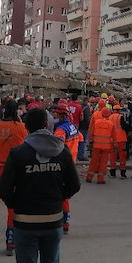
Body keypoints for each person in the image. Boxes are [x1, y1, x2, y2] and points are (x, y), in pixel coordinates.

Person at [0, 108, 81, 263]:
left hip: (25, 221)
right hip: (53, 219)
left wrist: (16, 204)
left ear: (26, 127)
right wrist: (58, 198)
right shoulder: (62, 151)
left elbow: (4, 188)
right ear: (47, 125)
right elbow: (74, 185)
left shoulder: (18, 153)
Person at [0, 100, 28, 256]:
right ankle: (11, 243)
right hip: (14, 172)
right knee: (13, 208)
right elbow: (24, 143)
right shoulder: (21, 128)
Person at [52, 100, 83, 234]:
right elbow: (80, 140)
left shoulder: (60, 130)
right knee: (66, 196)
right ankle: (65, 222)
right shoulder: (73, 127)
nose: (53, 115)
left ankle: (62, 223)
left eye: (55, 113)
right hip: (72, 163)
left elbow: (56, 148)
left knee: (60, 196)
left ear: (60, 115)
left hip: (62, 165)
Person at [86, 107, 117, 184]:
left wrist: (91, 142)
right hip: (106, 147)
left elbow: (91, 133)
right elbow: (114, 137)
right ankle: (100, 179)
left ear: (102, 113)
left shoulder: (97, 122)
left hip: (96, 145)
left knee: (94, 161)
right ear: (109, 114)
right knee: (103, 163)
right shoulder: (111, 124)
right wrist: (115, 146)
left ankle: (89, 177)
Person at [108, 104, 129, 179]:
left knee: (113, 157)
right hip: (121, 140)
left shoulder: (109, 117)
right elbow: (125, 126)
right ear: (119, 110)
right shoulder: (120, 117)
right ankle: (123, 174)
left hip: (112, 140)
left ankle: (112, 173)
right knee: (122, 156)